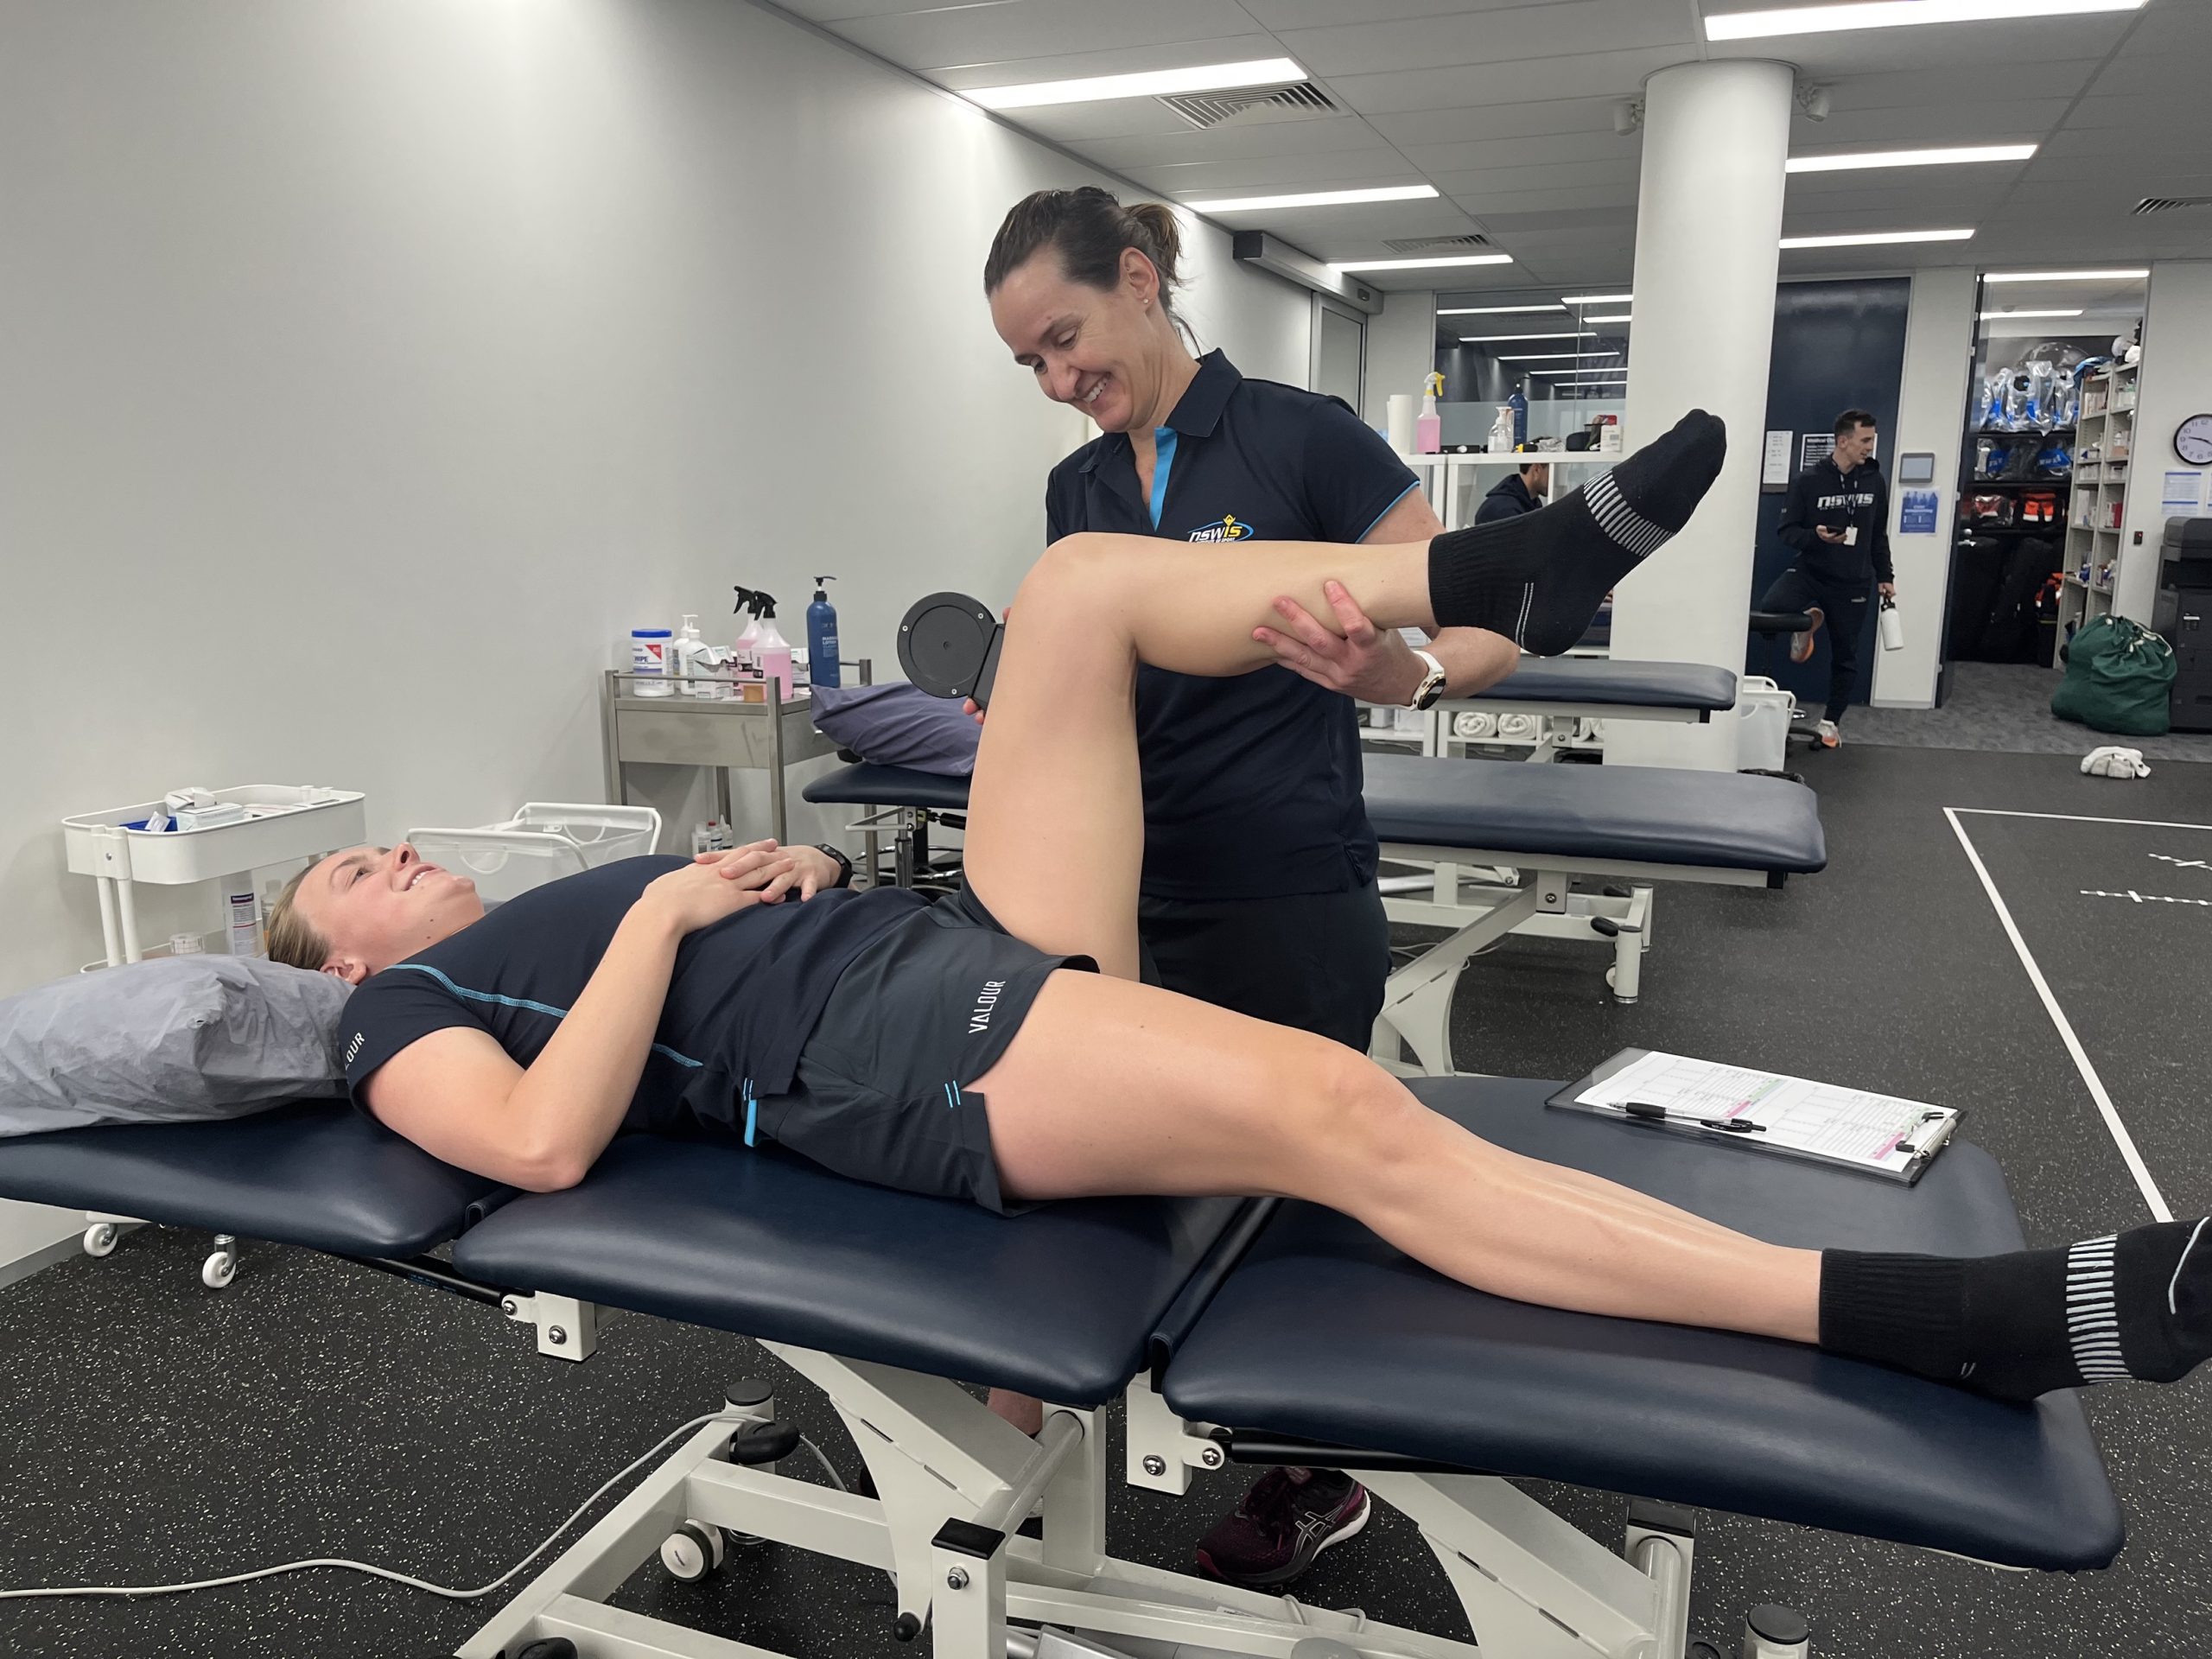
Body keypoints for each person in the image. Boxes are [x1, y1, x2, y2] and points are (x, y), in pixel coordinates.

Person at [270, 420, 2212, 1460]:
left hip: (934, 961)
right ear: (337, 966)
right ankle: (1937, 1327)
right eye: (343, 881)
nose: (383, 861)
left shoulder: (523, 917)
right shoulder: (401, 1017)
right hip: (900, 1062)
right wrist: (680, 907)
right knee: (1336, 1116)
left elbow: (667, 986)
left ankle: (1494, 574)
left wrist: (748, 891)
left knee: (1082, 589)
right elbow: (531, 1145)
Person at [979, 185, 1513, 1583]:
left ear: (1144, 281)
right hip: (1123, 895)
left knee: (1303, 1198)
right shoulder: (1079, 489)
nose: (1056, 379)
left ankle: (1313, 1480)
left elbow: (1482, 619)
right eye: (1028, 362)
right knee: (1075, 1174)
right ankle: (1000, 1473)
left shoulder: (1299, 440)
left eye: (1066, 337)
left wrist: (1405, 675)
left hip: (1284, 882)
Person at [1764, 409, 1896, 748]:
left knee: (1846, 655)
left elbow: (1878, 534)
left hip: (1852, 580)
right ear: (1843, 441)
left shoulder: (1874, 480)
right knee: (1770, 609)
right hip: (1812, 570)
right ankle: (1804, 626)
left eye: (1872, 440)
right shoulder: (1808, 480)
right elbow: (1787, 531)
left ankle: (1831, 723)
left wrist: (1886, 576)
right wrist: (1816, 537)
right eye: (1865, 440)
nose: (1870, 447)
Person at [1473, 461, 1550, 524]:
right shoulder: (1503, 509)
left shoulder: (1531, 503)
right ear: (1536, 469)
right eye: (1552, 472)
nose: (1555, 481)